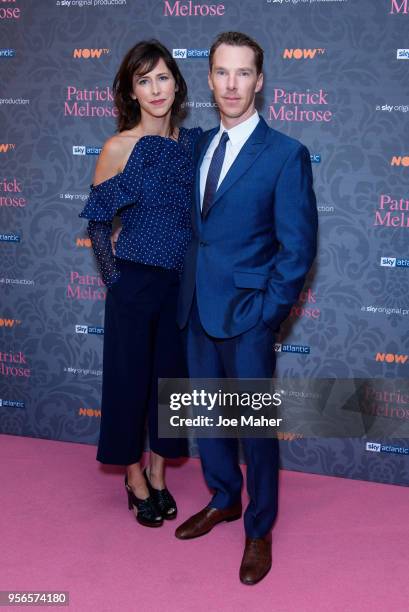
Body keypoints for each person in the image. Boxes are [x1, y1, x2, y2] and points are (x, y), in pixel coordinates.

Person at [175, 32, 318, 584]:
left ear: (259, 81)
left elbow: (298, 246)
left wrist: (267, 313)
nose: (231, 84)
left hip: (248, 316)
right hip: (196, 308)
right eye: (221, 72)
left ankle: (259, 528)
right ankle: (224, 498)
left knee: (253, 431)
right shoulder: (198, 145)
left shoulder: (285, 154)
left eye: (243, 73)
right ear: (209, 79)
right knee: (209, 419)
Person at [79, 40, 202, 528]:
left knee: (170, 386)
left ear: (177, 83)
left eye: (163, 77)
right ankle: (134, 477)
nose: (155, 89)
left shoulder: (195, 145)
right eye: (143, 80)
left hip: (181, 285)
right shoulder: (118, 147)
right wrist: (115, 281)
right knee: (130, 383)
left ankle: (158, 471)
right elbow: (96, 223)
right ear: (130, 91)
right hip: (134, 284)